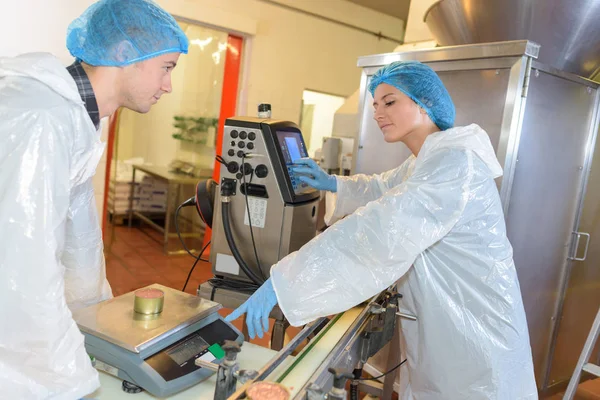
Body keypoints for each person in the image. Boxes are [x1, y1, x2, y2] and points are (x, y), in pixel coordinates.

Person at [226, 61, 538, 399]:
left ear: (425, 104)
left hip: (476, 332)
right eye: (375, 104)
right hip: (451, 323)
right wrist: (332, 183)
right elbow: (384, 189)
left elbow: (382, 227)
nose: (377, 113)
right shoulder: (426, 159)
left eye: (389, 102)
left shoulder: (455, 162)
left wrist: (285, 280)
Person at [0, 0, 188, 398]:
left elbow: (79, 237)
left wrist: (98, 324)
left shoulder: (80, 116)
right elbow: (23, 262)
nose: (168, 85)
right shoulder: (46, 116)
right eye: (167, 67)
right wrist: (66, 377)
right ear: (123, 54)